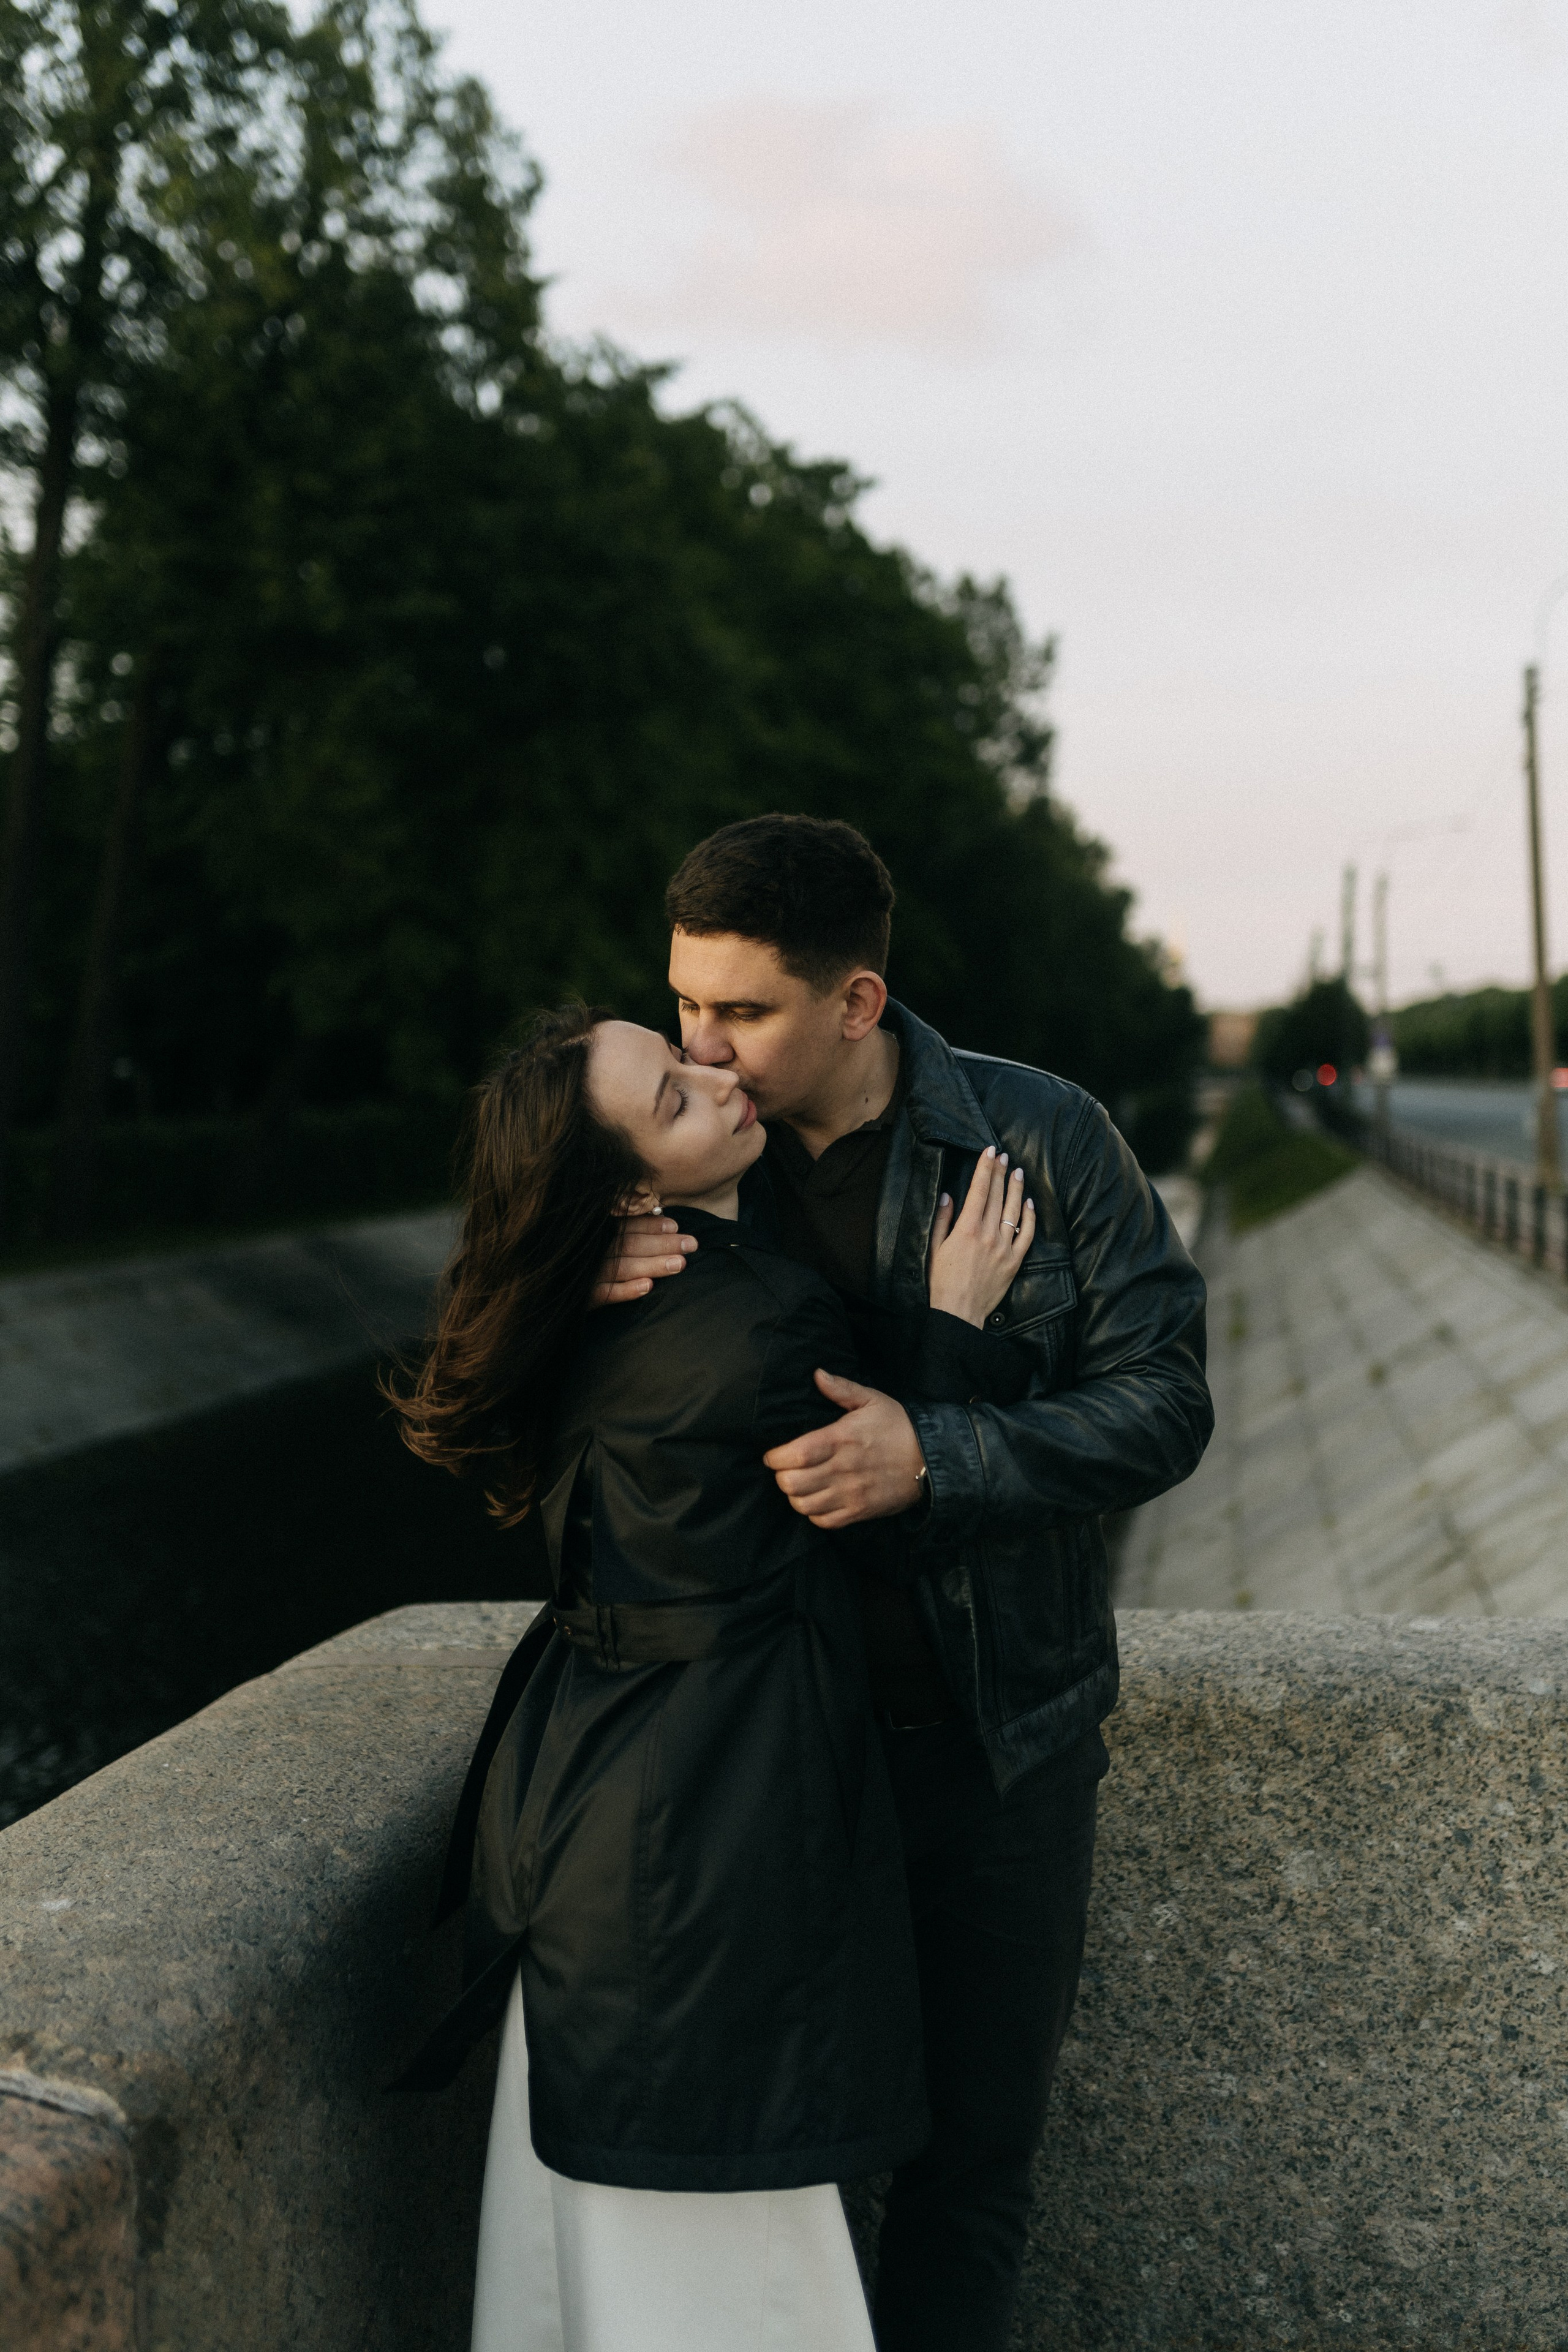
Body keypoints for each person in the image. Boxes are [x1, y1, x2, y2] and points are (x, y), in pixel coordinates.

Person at [595, 814, 1213, 2352]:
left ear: (858, 1003)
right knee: (771, 2177)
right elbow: (548, 1430)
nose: (703, 1045)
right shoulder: (653, 1159)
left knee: (968, 2172)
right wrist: (568, 1279)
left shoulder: (1043, 1138)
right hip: (760, 1764)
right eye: (683, 1004)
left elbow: (1166, 1399)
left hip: (994, 1749)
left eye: (742, 1013)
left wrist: (941, 1458)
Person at [388, 1002, 1041, 2352]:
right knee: (727, 2282)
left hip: (579, 1836)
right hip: (701, 1851)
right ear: (630, 1188)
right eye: (675, 1098)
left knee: (607, 2282)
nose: (716, 1074)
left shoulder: (584, 1309)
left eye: (685, 1056)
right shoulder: (756, 1318)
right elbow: (899, 1516)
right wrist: (956, 1325)